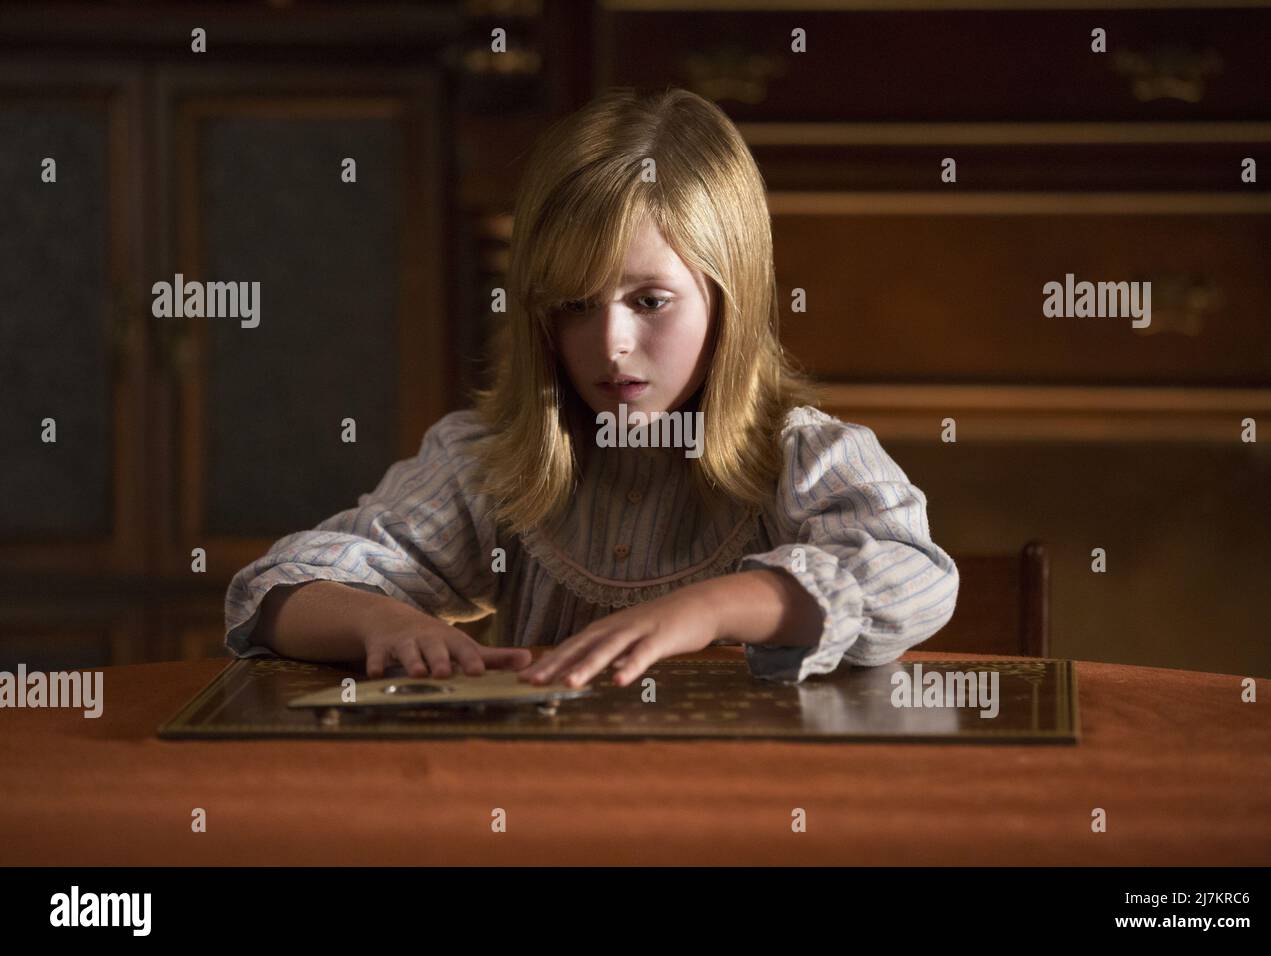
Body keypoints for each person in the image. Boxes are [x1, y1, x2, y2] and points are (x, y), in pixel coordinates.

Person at [223, 86, 959, 687]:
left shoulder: (807, 456)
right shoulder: (488, 460)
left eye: (649, 301)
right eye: (575, 305)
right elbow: (275, 590)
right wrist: (384, 622)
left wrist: (708, 611)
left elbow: (915, 578)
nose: (610, 344)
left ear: (730, 298)